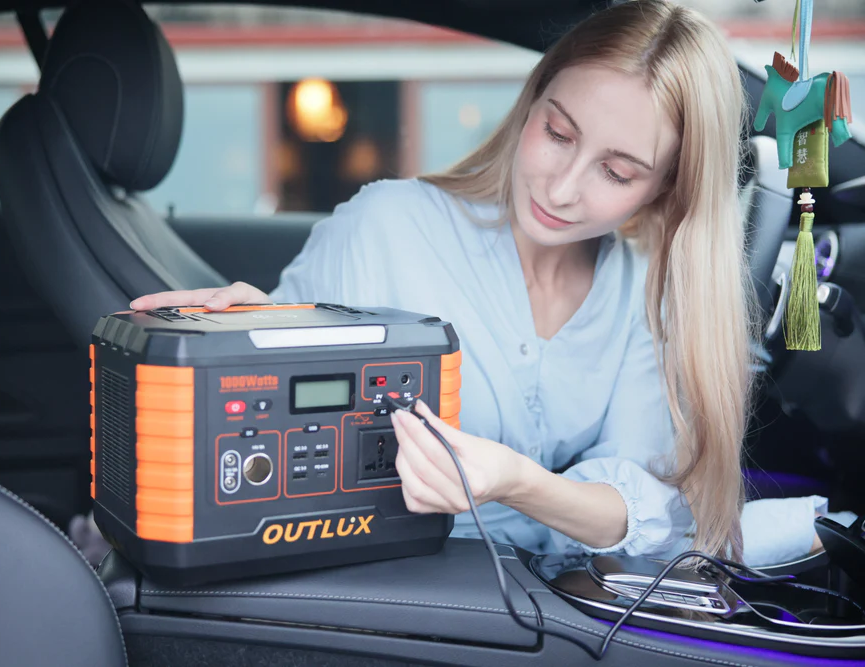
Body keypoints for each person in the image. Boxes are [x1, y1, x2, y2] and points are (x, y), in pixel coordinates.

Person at [128, 0, 838, 566]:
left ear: (664, 189)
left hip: (538, 605)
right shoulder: (388, 226)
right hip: (373, 586)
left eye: (617, 172)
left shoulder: (644, 296)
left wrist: (516, 482)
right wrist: (257, 339)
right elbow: (272, 422)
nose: (562, 187)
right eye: (558, 133)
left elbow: (642, 510)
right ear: (531, 103)